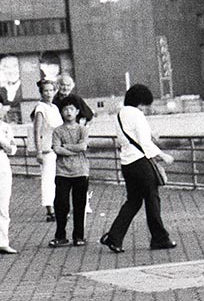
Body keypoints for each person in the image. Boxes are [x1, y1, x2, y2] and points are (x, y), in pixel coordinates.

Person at [100, 84, 175, 252]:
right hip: (141, 163)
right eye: (145, 104)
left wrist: (149, 137)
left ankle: (114, 237)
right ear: (140, 102)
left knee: (133, 201)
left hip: (127, 163)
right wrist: (163, 155)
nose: (146, 108)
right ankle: (159, 238)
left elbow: (130, 138)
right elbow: (145, 143)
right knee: (152, 200)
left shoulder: (120, 114)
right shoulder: (137, 114)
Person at [50, 100, 90, 247]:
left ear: (77, 111)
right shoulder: (57, 131)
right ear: (61, 112)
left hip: (81, 171)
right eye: (65, 109)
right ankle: (60, 235)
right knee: (61, 204)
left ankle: (79, 236)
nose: (68, 112)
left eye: (71, 109)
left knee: (79, 204)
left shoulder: (82, 129)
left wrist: (65, 147)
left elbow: (83, 146)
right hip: (62, 172)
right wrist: (73, 149)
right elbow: (56, 149)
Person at [31, 80, 61, 222]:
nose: (49, 93)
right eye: (46, 91)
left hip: (58, 148)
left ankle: (58, 205)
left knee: (58, 179)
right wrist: (39, 151)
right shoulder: (40, 108)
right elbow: (37, 131)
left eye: (51, 90)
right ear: (41, 93)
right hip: (47, 149)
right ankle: (50, 209)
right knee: (48, 179)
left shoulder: (54, 107)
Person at [0, 118, 15, 255]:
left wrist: (2, 141)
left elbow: (12, 149)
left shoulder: (5, 127)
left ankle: (3, 242)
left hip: (2, 164)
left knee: (3, 205)